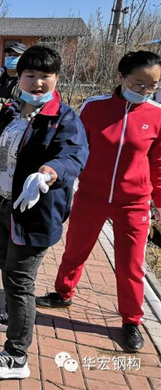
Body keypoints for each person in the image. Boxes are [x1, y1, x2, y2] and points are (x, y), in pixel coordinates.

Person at [0, 45, 89, 379]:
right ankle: (9, 316)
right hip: (1, 204)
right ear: (19, 78)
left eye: (45, 76)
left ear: (56, 79)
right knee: (3, 264)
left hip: (33, 214)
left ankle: (16, 356)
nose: (38, 83)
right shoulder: (7, 111)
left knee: (21, 281)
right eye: (30, 75)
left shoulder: (64, 118)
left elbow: (74, 156)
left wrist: (48, 172)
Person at [36, 50, 161, 352]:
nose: (144, 90)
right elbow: (75, 149)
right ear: (121, 78)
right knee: (76, 248)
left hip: (134, 202)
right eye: (138, 83)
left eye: (152, 86)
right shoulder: (94, 108)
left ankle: (131, 320)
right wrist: (61, 181)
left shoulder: (157, 115)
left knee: (131, 264)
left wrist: (159, 205)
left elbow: (158, 164)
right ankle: (63, 293)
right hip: (91, 196)